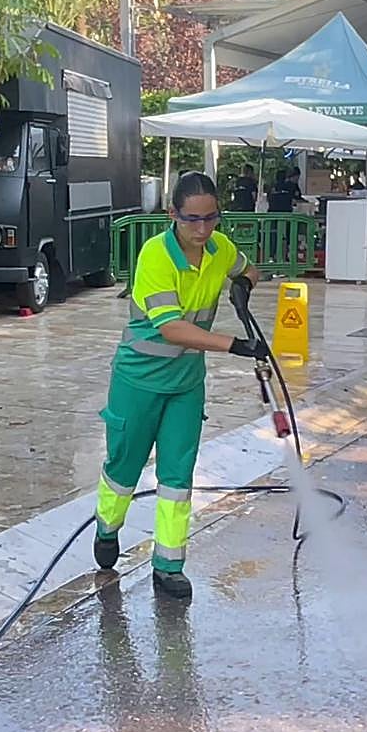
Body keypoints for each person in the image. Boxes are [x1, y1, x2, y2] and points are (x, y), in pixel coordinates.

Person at [93, 172, 264, 599]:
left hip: (186, 385)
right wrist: (234, 345)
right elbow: (171, 328)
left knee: (177, 475)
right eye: (193, 220)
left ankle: (168, 565)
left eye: (212, 219)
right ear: (173, 215)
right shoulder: (156, 256)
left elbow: (250, 269)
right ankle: (107, 526)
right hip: (138, 382)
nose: (203, 230)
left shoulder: (219, 249)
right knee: (124, 468)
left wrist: (242, 285)